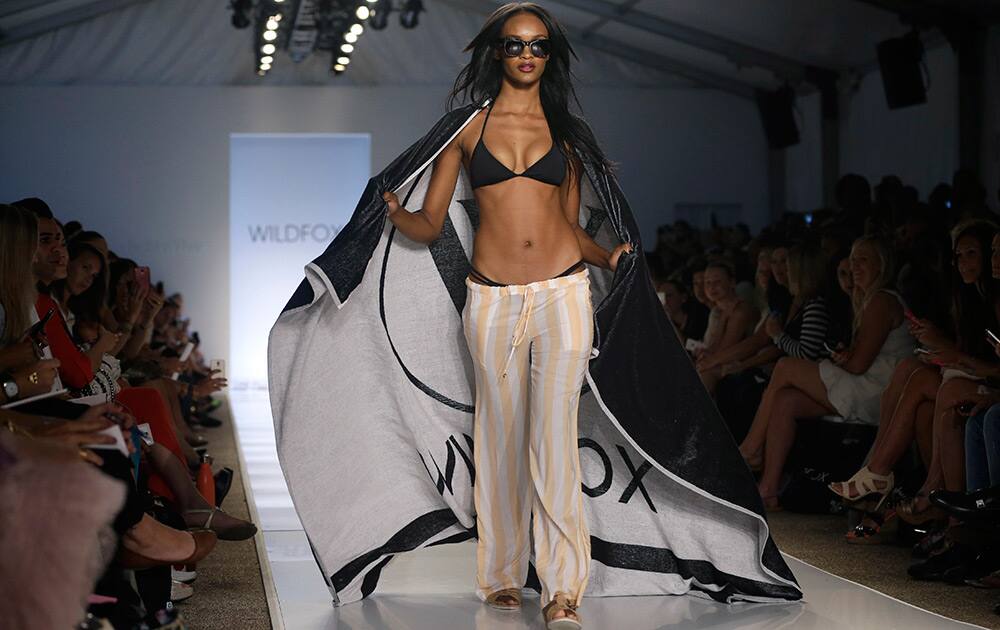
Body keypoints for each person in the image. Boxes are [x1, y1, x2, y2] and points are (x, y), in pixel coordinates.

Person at [269, 2, 801, 622]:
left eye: (538, 46)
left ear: (551, 55)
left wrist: (609, 255)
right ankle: (498, 573)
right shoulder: (466, 130)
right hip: (491, 301)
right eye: (516, 45)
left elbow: (570, 228)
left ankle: (562, 588)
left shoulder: (567, 134)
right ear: (498, 52)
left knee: (555, 442)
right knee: (498, 438)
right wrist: (392, 216)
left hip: (563, 296)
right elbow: (431, 224)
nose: (527, 55)